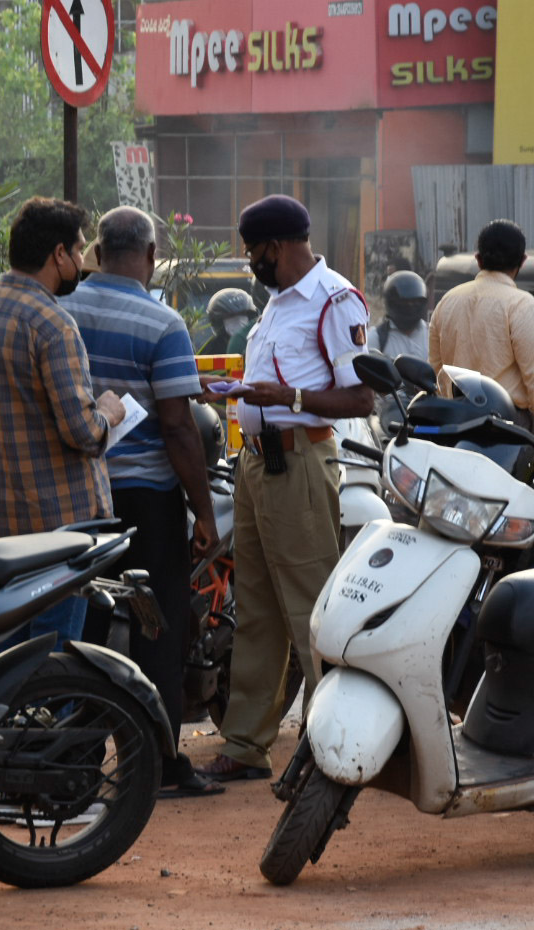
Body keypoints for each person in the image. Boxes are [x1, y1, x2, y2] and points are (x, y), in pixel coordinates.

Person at [199, 195, 375, 783]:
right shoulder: (277, 304)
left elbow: (360, 397)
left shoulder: (333, 301)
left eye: (253, 252)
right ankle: (248, 743)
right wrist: (234, 389)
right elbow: (269, 385)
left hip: (299, 463)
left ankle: (340, 740)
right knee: (256, 608)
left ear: (275, 248)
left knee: (311, 608)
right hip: (256, 463)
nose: (251, 263)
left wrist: (289, 399)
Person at [59, 206, 224, 798]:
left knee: (86, 624)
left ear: (98, 254)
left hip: (80, 500)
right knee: (161, 626)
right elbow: (180, 428)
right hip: (148, 500)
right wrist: (203, 512)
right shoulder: (162, 323)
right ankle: (155, 762)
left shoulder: (61, 313)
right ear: (152, 256)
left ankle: (74, 762)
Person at [0, 197, 125, 646]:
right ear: (59, 255)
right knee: (53, 659)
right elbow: (83, 434)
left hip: (5, 526)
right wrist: (108, 411)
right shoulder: (52, 324)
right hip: (61, 531)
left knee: (12, 656)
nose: (83, 261)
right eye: (80, 250)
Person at [428, 220, 534, 463]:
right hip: (507, 431)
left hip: (455, 427)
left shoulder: (447, 302)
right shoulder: (521, 304)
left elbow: (435, 370)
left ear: (478, 260)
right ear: (522, 261)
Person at [375, 270, 429, 361]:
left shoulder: (433, 336)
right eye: (404, 302)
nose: (410, 306)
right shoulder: (377, 337)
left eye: (415, 302)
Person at [200, 289, 257, 356]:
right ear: (219, 322)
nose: (238, 321)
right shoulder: (211, 351)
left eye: (242, 314)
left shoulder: (261, 342)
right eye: (231, 317)